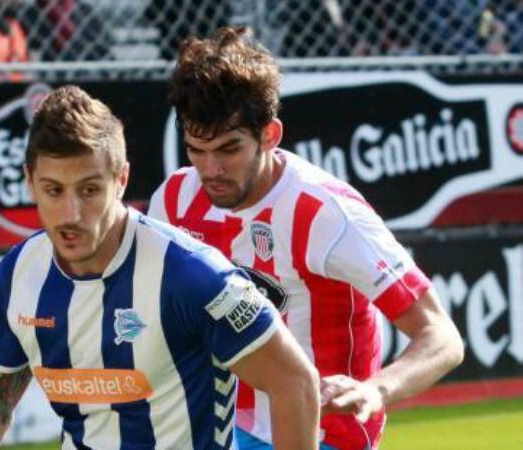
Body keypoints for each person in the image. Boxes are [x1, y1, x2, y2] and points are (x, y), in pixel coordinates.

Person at [0, 86, 320, 449]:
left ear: (120, 180)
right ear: (30, 183)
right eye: (54, 190)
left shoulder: (190, 274)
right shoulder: (19, 274)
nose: (71, 215)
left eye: (89, 190)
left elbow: (295, 382)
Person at [147, 27, 464, 450]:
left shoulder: (325, 213)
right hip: (223, 427)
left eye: (229, 149)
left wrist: (375, 390)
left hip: (326, 432)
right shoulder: (174, 200)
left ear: (270, 135)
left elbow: (441, 336)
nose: (211, 170)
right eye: (196, 150)